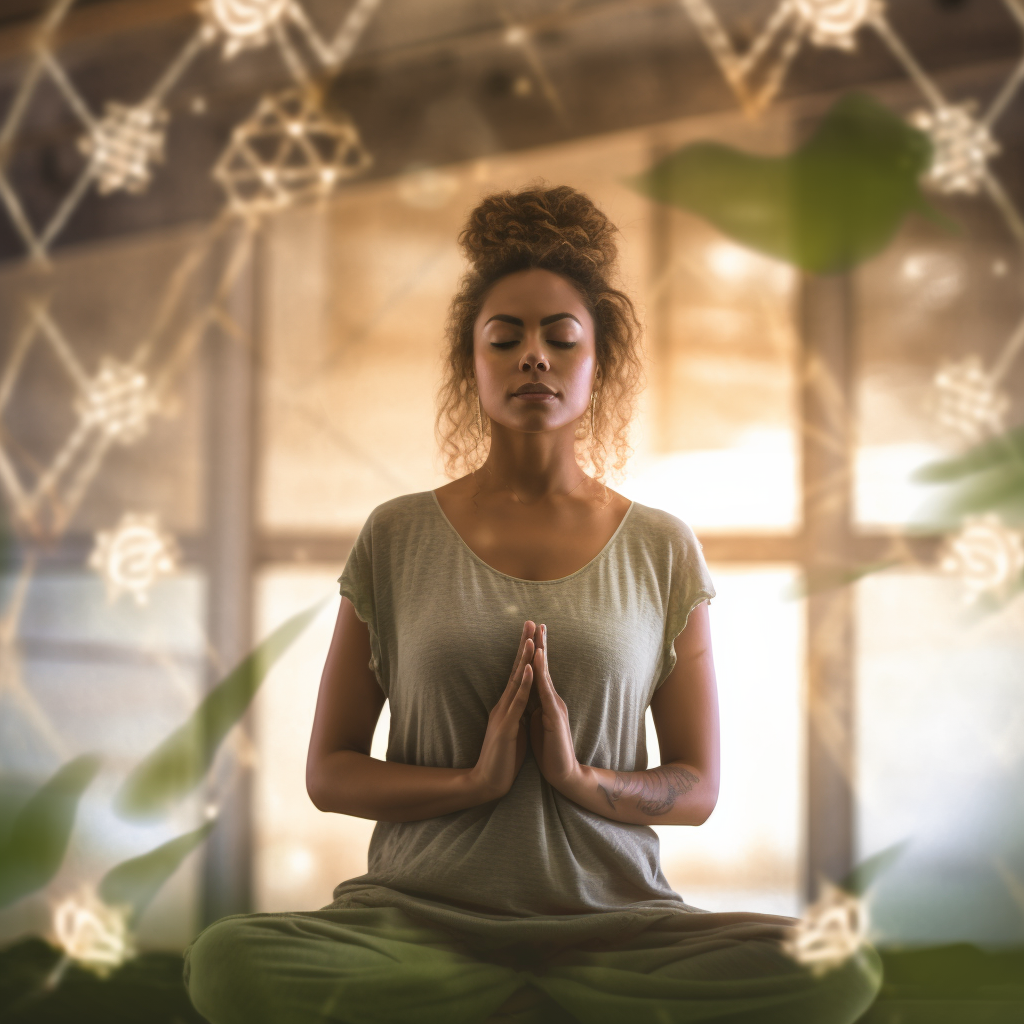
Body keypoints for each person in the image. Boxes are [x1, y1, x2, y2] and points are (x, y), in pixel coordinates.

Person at [185, 185, 881, 1023]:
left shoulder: (662, 546)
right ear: (469, 362)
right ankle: (535, 1005)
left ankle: (514, 1005)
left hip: (615, 930)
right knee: (230, 961)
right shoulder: (396, 535)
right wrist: (474, 782)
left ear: (599, 363)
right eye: (504, 337)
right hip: (417, 925)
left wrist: (577, 778)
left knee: (837, 969)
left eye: (562, 338)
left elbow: (696, 786)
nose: (534, 358)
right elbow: (330, 773)